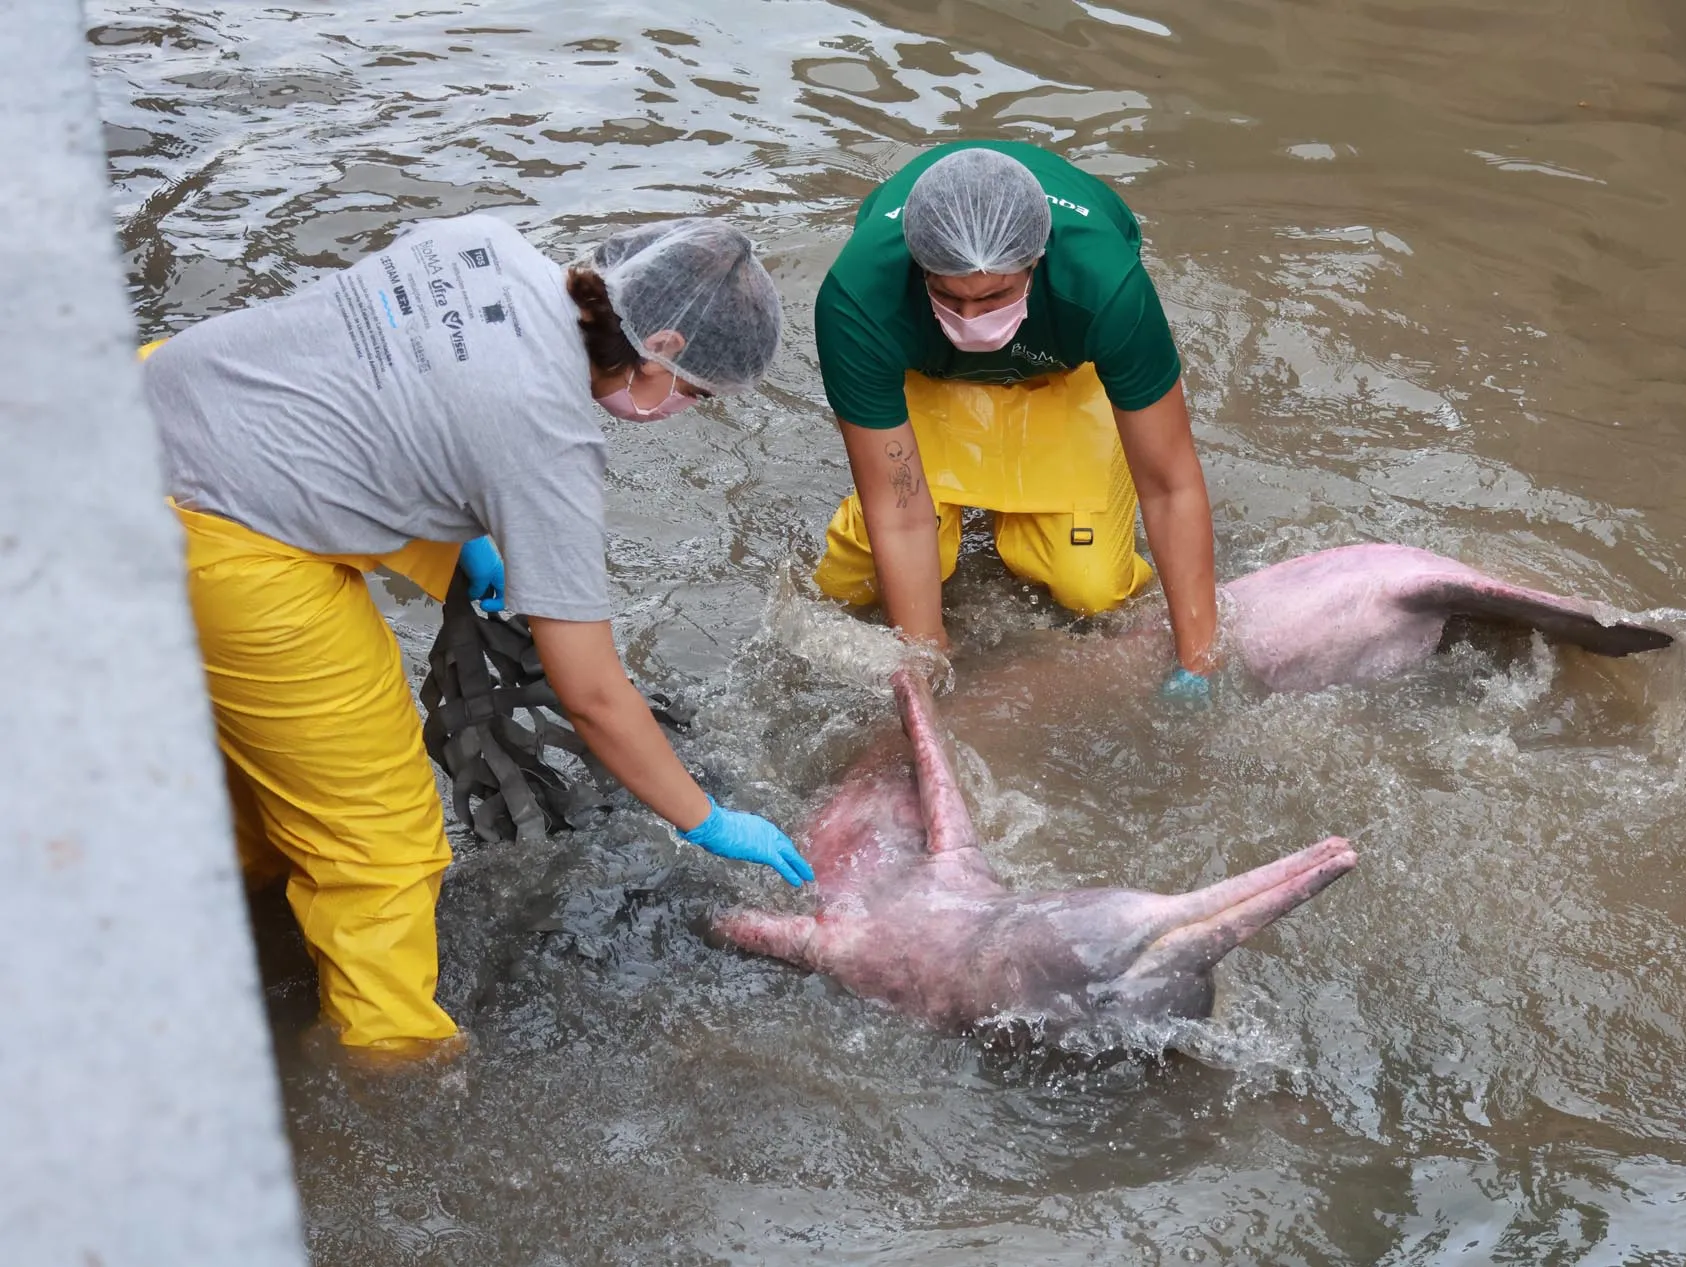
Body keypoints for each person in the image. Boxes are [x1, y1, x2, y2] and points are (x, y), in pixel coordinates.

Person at [139, 212, 813, 1057]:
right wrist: (705, 816)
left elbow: (394, 385)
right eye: (692, 392)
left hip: (152, 405)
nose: (680, 410)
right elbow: (593, 692)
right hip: (221, 530)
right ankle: (385, 1063)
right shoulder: (549, 444)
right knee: (383, 850)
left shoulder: (484, 244)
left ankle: (229, 889)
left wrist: (462, 534)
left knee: (272, 753)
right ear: (661, 346)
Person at [811, 140, 1219, 698]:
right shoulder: (857, 297)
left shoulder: (1104, 284)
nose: (970, 319)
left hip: (1056, 373)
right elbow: (898, 511)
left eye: (995, 296)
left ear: (1036, 259)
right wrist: (926, 661)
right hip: (931, 375)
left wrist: (1198, 660)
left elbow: (1170, 483)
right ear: (918, 268)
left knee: (1090, 588)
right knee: (854, 579)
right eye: (948, 297)